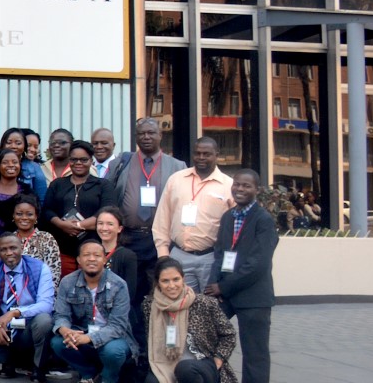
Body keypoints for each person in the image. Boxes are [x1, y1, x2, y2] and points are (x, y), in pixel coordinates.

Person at [103, 118, 183, 307]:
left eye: (151, 133)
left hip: (161, 239)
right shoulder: (121, 163)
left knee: (160, 290)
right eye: (141, 133)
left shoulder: (177, 166)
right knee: (130, 291)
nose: (146, 137)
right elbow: (110, 197)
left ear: (160, 135)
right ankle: (133, 333)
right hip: (129, 238)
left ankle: (157, 334)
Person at [208, 168, 274, 383]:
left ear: (257, 189)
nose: (240, 189)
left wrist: (224, 287)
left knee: (255, 354)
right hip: (225, 294)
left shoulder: (264, 220)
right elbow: (219, 254)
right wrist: (213, 285)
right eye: (237, 184)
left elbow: (258, 263)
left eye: (246, 185)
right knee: (204, 337)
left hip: (253, 297)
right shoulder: (228, 217)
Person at [153, 137, 233, 293]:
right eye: (197, 153)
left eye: (206, 154)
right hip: (178, 256)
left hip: (210, 258)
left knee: (210, 308)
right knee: (181, 307)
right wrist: (163, 256)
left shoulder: (228, 185)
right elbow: (162, 220)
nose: (201, 158)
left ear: (217, 154)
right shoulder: (176, 180)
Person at [0, 232, 56, 379]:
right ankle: (9, 361)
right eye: (3, 249)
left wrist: (15, 312)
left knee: (44, 320)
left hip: (29, 324)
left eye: (13, 248)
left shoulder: (40, 268)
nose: (9, 253)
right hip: (4, 326)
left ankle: (38, 367)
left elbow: (46, 304)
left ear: (22, 248)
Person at [51, 240, 132, 383]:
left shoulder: (118, 285)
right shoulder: (68, 282)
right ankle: (88, 375)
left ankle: (108, 377)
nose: (92, 259)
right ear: (79, 260)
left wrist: (89, 338)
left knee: (113, 352)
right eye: (87, 255)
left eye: (97, 255)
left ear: (105, 260)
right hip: (82, 330)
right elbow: (61, 314)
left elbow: (118, 325)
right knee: (58, 342)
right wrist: (64, 330)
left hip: (113, 336)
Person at [144, 257, 237, 383]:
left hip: (201, 362)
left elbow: (229, 334)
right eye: (165, 281)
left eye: (176, 279)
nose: (172, 285)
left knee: (185, 369)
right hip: (164, 363)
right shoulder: (150, 306)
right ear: (158, 283)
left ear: (183, 279)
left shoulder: (204, 303)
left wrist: (219, 358)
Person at [45, 140, 109, 272]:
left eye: (84, 160)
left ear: (91, 161)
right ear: (69, 161)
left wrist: (78, 226)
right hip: (62, 251)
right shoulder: (57, 184)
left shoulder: (103, 185)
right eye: (74, 160)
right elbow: (46, 210)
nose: (78, 163)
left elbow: (107, 212)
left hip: (92, 251)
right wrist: (62, 224)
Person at [11, 200, 61, 271]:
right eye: (19, 214)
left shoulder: (46, 238)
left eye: (29, 214)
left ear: (36, 217)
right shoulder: (8, 239)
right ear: (13, 216)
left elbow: (54, 271)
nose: (24, 217)